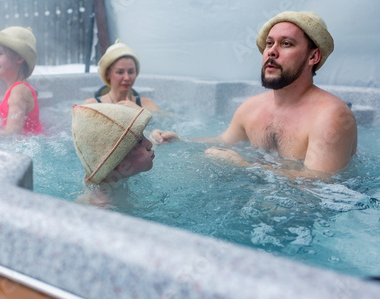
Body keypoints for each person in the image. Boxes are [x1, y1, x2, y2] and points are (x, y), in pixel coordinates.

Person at [150, 11, 357, 179]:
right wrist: (183, 141)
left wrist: (247, 166)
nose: (271, 52)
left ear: (313, 56)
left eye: (286, 44)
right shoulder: (251, 108)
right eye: (269, 43)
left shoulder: (331, 116)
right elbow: (224, 140)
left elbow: (321, 183)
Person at [72, 103, 154, 208]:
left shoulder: (116, 176)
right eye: (139, 141)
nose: (149, 144)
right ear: (116, 163)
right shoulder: (104, 207)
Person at [83, 39, 159, 112]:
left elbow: (166, 120)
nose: (126, 78)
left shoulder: (147, 104)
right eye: (120, 72)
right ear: (107, 74)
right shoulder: (92, 106)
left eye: (131, 72)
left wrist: (139, 111)